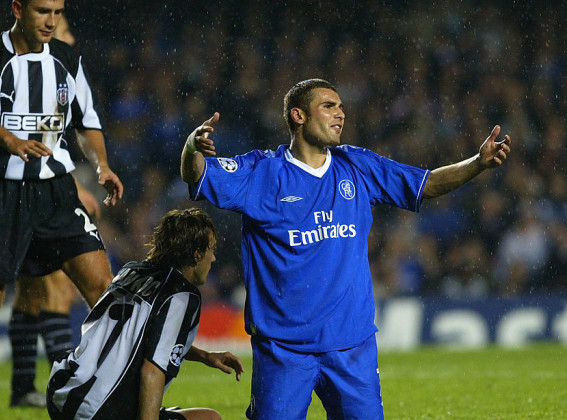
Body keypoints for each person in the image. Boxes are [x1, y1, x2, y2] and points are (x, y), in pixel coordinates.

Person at [181, 78, 512, 419]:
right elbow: (198, 174)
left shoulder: (356, 165)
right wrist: (191, 148)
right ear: (298, 115)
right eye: (329, 106)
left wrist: (476, 163)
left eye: (341, 107)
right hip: (283, 350)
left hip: (352, 346)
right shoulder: (261, 172)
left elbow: (424, 184)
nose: (340, 114)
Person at [0, 1, 123, 419]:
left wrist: (102, 165)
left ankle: (103, 400)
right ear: (17, 9)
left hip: (55, 194)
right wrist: (11, 142)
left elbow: (87, 121)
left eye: (58, 11)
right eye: (42, 11)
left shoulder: (67, 59)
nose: (51, 20)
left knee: (105, 292)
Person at [47, 208, 244, 420]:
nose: (213, 258)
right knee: (210, 419)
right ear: (197, 254)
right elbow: (152, 372)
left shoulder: (130, 272)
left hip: (62, 395)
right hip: (99, 410)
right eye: (211, 250)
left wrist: (205, 356)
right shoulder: (180, 294)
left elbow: (145, 338)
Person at [7, 13, 97, 409]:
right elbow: (35, 136)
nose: (70, 36)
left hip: (22, 193)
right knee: (57, 289)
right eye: (62, 29)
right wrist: (75, 187)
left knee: (29, 292)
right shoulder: (36, 70)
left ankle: (23, 386)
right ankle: (66, 385)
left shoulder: (53, 70)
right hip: (35, 192)